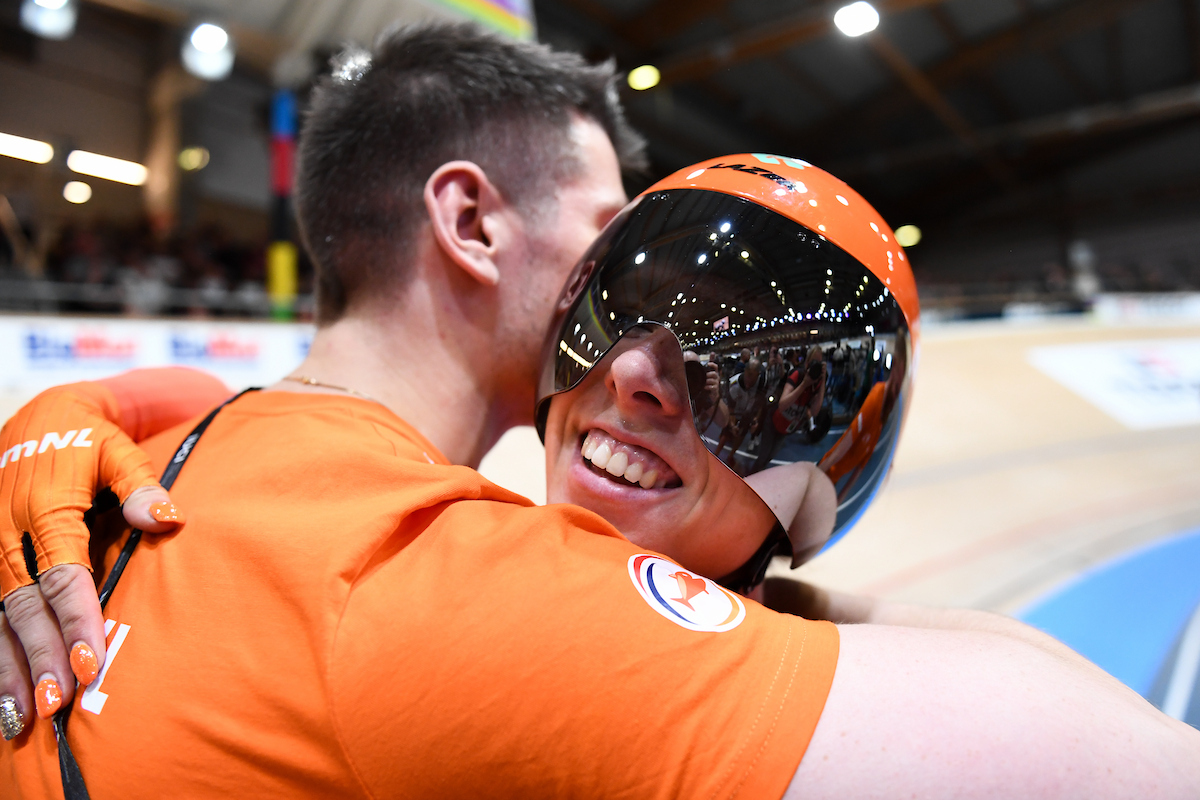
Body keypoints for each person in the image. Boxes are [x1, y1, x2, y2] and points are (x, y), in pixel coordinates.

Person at [2, 28, 1198, 800]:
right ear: (470, 224)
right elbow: (1136, 764)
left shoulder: (151, 453)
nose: (641, 337)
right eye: (617, 239)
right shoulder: (468, 583)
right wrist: (794, 577)